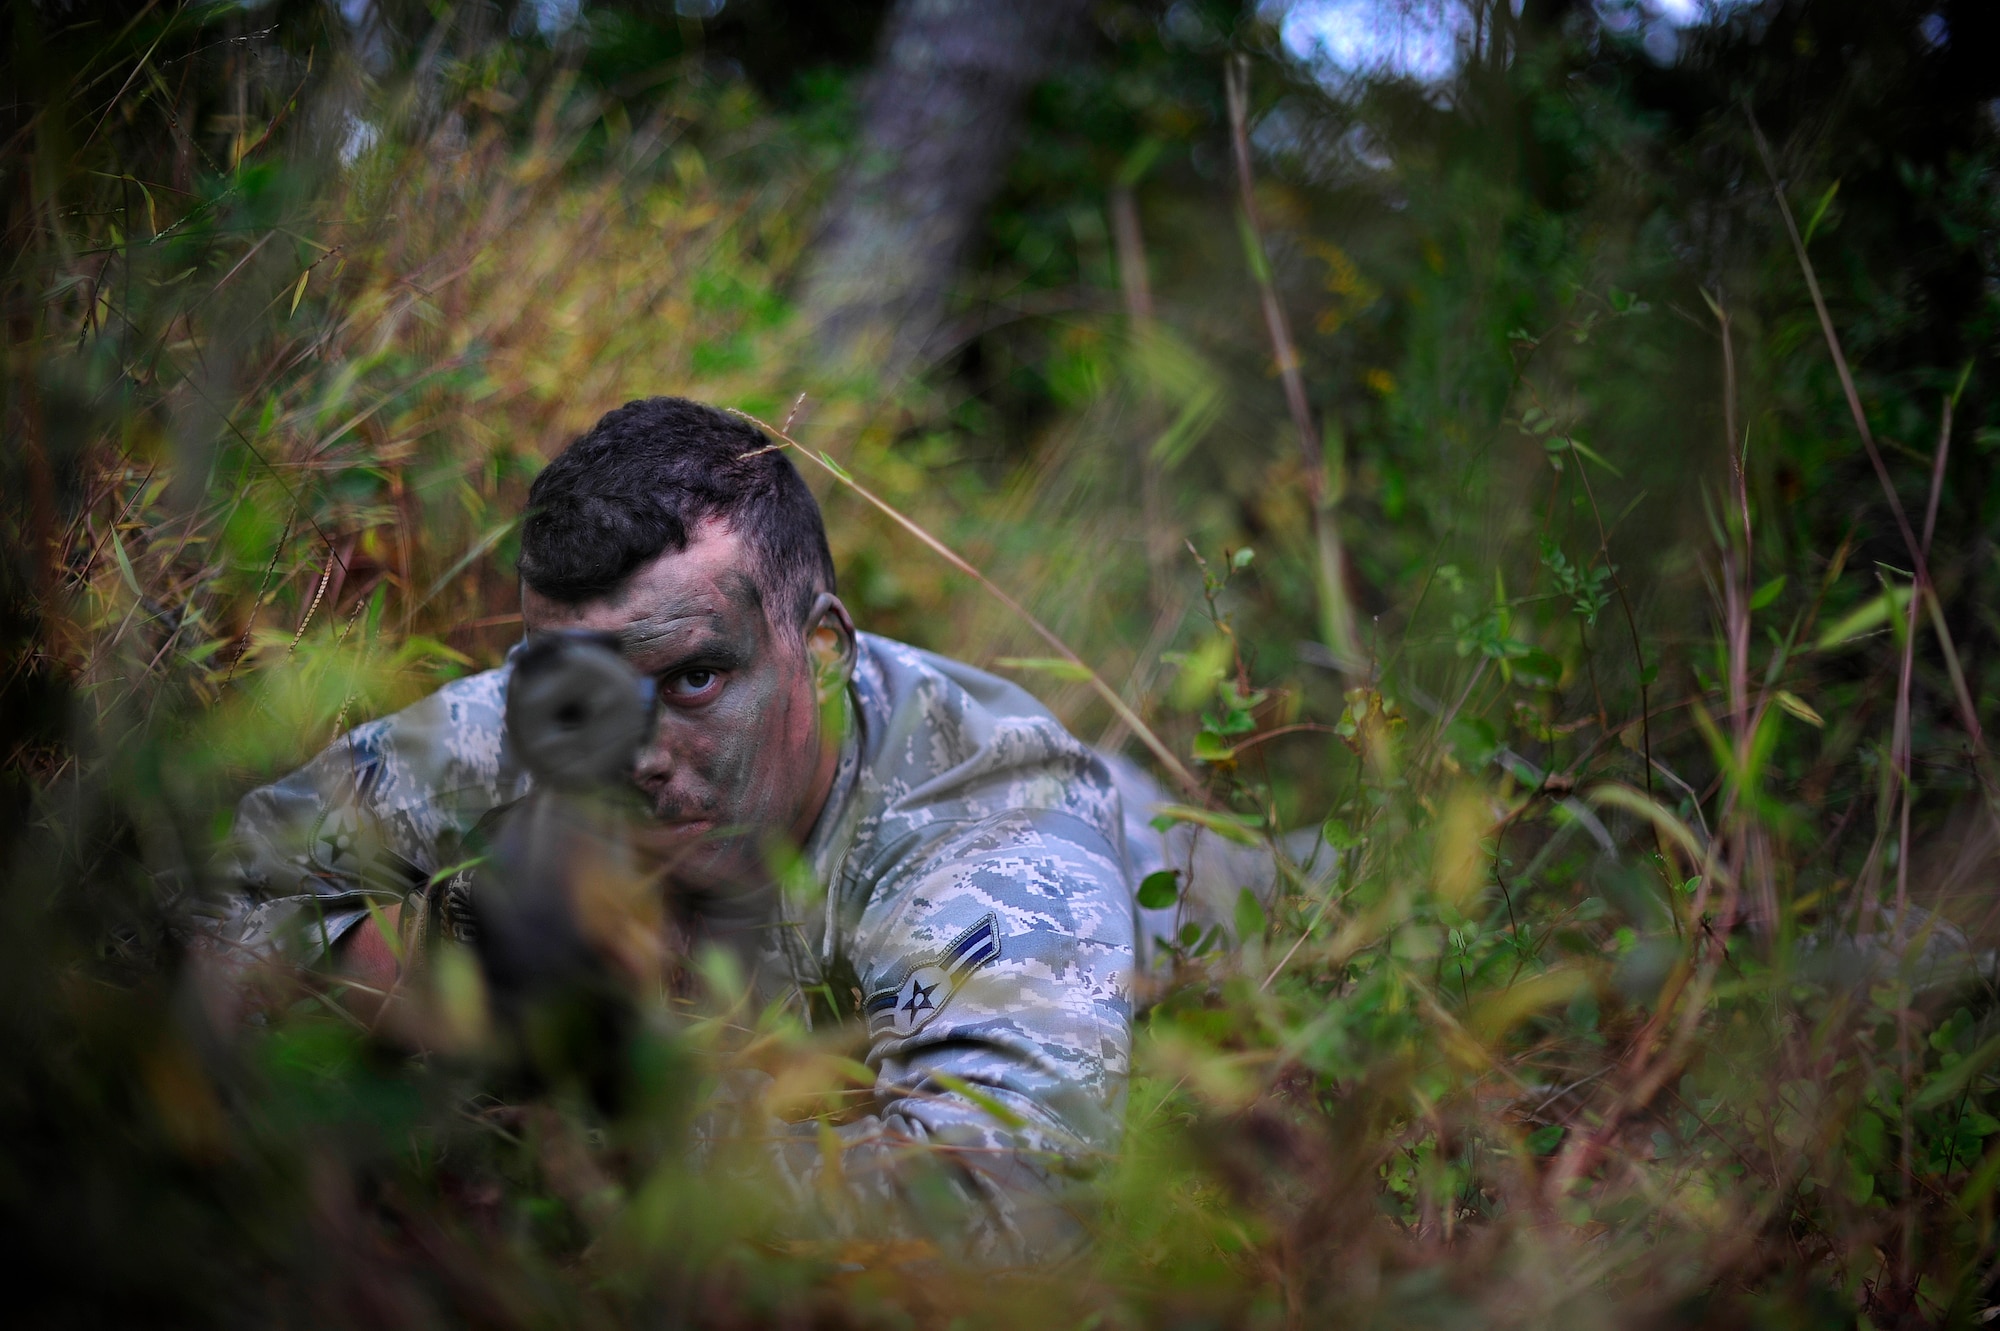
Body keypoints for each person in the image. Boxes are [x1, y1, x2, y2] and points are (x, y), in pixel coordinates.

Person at [213, 396, 1139, 1261]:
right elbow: (214, 886)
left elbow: (1007, 1210)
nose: (634, 755)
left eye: (693, 680)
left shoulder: (989, 829)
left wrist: (625, 1101)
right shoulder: (543, 717)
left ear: (820, 654)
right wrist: (406, 969)